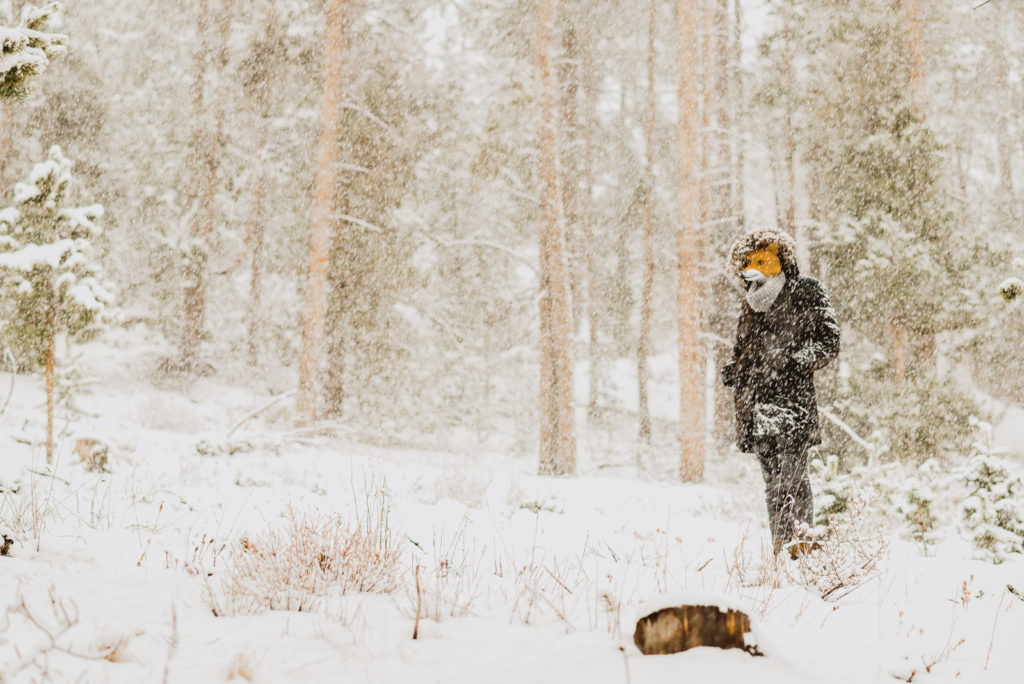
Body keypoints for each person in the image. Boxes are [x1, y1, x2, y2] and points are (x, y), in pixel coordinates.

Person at [721, 229, 839, 557]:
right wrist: (735, 369)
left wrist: (794, 362)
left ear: (781, 258)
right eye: (748, 263)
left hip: (792, 405)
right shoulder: (751, 302)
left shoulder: (807, 291)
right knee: (773, 487)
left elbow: (829, 342)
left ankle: (799, 555)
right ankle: (784, 555)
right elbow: (745, 351)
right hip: (756, 408)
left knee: (791, 483)